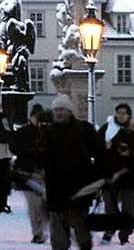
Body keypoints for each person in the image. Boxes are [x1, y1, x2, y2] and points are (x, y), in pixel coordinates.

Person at [42, 95, 104, 250]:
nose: (58, 113)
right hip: (55, 191)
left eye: (62, 109)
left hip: (79, 190)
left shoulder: (84, 129)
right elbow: (42, 158)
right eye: (56, 110)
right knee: (58, 239)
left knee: (81, 232)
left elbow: (100, 154)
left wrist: (97, 179)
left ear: (69, 111)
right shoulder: (48, 131)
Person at [97, 103, 134, 245]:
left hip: (128, 175)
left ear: (129, 116)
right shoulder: (106, 129)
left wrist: (130, 153)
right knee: (110, 206)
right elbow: (97, 150)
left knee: (128, 207)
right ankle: (110, 230)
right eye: (119, 112)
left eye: (124, 113)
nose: (121, 115)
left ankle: (125, 233)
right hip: (109, 174)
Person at [11, 104, 49, 244]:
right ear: (31, 117)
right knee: (34, 206)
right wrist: (29, 151)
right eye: (36, 117)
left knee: (43, 206)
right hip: (27, 174)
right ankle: (38, 233)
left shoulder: (47, 133)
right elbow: (14, 148)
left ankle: (43, 230)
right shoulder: (23, 133)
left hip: (43, 174)